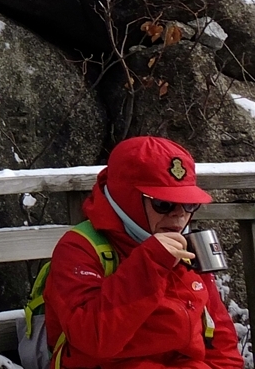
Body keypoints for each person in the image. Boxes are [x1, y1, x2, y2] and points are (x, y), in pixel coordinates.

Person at [44, 136, 243, 369]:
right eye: (163, 204)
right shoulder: (79, 249)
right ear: (128, 198)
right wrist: (151, 261)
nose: (179, 215)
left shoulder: (189, 247)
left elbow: (221, 344)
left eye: (189, 204)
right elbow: (94, 339)